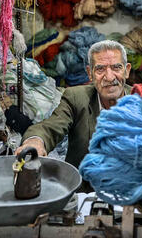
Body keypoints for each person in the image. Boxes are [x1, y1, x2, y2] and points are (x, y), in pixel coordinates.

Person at [15, 40, 132, 169]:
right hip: (86, 185)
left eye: (116, 67)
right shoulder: (77, 98)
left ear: (126, 71)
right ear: (90, 74)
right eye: (100, 69)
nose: (109, 77)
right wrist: (35, 141)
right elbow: (51, 127)